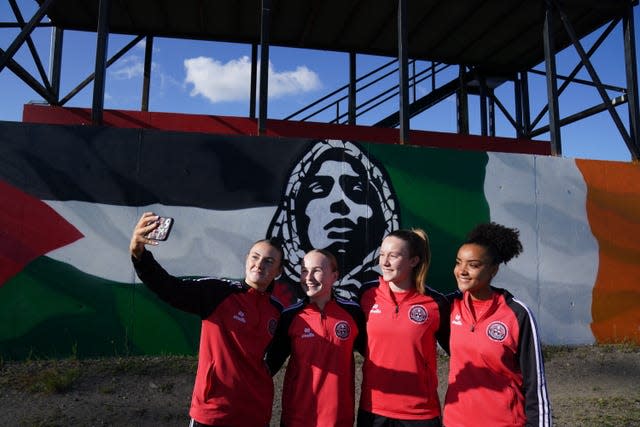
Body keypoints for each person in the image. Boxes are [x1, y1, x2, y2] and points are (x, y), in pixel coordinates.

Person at [129, 212, 284, 427]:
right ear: (246, 259)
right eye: (255, 257)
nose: (260, 264)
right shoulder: (217, 293)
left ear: (278, 271)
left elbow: (279, 352)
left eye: (269, 261)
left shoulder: (278, 311)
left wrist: (259, 377)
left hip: (255, 414)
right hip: (212, 412)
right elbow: (169, 288)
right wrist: (139, 254)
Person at [443, 222, 552, 427]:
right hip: (455, 422)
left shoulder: (517, 314)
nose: (462, 271)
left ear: (494, 270)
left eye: (473, 265)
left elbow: (535, 384)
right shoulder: (449, 306)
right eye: (459, 263)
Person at [267, 139, 400, 301]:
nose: (340, 202)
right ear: (293, 211)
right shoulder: (274, 298)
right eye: (319, 188)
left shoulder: (392, 297)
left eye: (356, 190)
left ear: (382, 210)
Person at [358, 229, 450, 427]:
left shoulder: (435, 303)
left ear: (414, 261)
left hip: (420, 413)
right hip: (374, 409)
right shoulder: (367, 294)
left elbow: (458, 352)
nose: (385, 262)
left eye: (394, 256)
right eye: (382, 255)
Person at [265, 249, 365, 427]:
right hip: (297, 418)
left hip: (339, 418)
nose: (308, 277)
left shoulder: (353, 313)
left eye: (317, 270)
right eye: (304, 270)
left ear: (334, 276)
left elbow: (376, 356)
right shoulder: (290, 316)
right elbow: (269, 366)